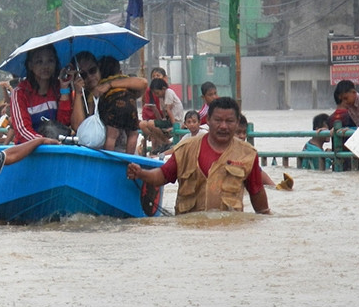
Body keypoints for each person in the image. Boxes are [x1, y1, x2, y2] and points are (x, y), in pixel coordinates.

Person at [126, 97, 271, 215]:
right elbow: (163, 175)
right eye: (218, 120)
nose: (223, 126)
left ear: (237, 123)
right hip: (189, 235)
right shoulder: (186, 149)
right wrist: (141, 173)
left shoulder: (247, 154)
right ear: (207, 120)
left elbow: (258, 196)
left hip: (230, 235)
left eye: (229, 121)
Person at [10, 44, 73, 143]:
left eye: (50, 61)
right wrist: (43, 141)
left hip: (56, 148)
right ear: (30, 65)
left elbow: (63, 124)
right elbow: (22, 131)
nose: (45, 66)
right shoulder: (19, 93)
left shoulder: (58, 88)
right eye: (39, 61)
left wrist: (64, 88)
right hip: (28, 152)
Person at [93, 56, 147, 154]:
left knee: (112, 135)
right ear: (119, 71)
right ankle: (129, 158)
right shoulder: (124, 80)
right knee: (133, 134)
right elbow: (141, 83)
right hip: (131, 106)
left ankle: (109, 158)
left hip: (114, 108)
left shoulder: (101, 85)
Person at [138, 77, 177, 155]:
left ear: (163, 88)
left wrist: (174, 126)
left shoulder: (168, 92)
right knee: (142, 124)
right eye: (154, 94)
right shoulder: (161, 97)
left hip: (175, 121)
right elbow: (164, 113)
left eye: (157, 93)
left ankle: (165, 143)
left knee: (151, 124)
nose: (156, 95)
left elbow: (168, 110)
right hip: (166, 120)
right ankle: (164, 142)